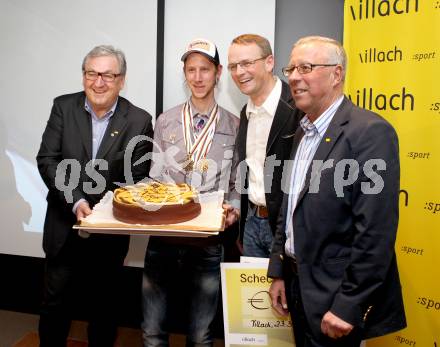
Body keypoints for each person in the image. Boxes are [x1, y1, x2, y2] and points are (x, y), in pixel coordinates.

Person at [268, 36, 406, 347]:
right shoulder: (300, 131)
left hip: (334, 297)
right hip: (296, 287)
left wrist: (349, 304)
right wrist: (278, 269)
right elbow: (290, 206)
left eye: (306, 67)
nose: (293, 76)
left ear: (337, 74)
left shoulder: (370, 133)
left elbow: (376, 231)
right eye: (291, 68)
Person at [36, 45, 154, 347]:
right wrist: (76, 200)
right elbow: (48, 160)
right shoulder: (63, 107)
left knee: (104, 313)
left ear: (122, 80)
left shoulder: (139, 120)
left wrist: (99, 210)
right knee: (54, 308)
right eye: (92, 73)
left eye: (108, 75)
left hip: (108, 234)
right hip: (64, 227)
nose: (98, 82)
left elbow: (134, 179)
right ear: (83, 75)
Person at [142, 38, 240, 347]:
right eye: (191, 70)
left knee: (201, 335)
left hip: (208, 240)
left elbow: (239, 181)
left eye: (205, 70)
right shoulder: (166, 120)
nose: (198, 77)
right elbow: (154, 176)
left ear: (218, 72)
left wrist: (234, 208)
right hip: (164, 235)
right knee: (153, 331)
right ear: (184, 74)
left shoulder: (234, 125)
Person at [227, 34, 302, 257]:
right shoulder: (245, 113)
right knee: (254, 294)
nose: (239, 72)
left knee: (286, 293)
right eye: (233, 66)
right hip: (251, 225)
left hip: (286, 229)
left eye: (247, 63)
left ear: (269, 62)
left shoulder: (298, 107)